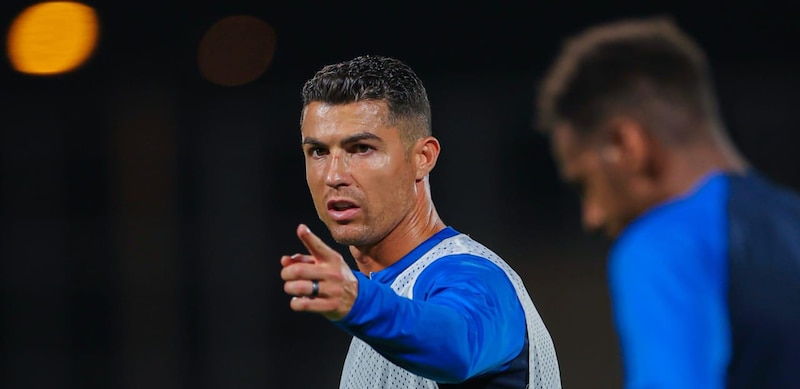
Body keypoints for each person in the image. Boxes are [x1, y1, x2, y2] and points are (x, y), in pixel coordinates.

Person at [535, 16, 800, 389]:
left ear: (626, 144)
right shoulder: (791, 218)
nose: (591, 217)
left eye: (585, 185)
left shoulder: (666, 243)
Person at [279, 55, 561, 388]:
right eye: (318, 152)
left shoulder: (471, 276)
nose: (334, 175)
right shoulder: (382, 297)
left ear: (422, 158)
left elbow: (457, 346)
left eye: (361, 148)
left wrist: (358, 301)